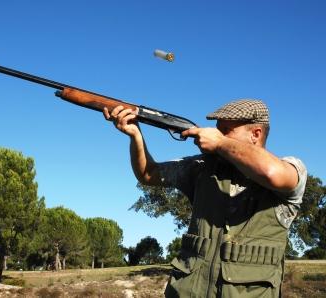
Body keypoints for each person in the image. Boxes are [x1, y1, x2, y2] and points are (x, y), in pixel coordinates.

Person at [103, 99, 307, 297]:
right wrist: (135, 136)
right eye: (216, 129)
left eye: (225, 130)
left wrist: (219, 143)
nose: (216, 134)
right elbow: (149, 174)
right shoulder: (202, 167)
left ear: (255, 134)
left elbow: (272, 173)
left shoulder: (290, 168)